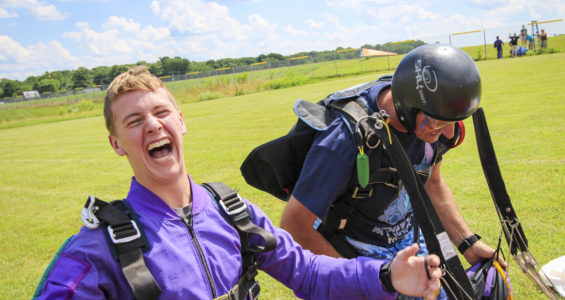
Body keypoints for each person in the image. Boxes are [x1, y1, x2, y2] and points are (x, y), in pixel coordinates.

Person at [32, 66, 442, 300]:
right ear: (117, 144)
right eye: (134, 121)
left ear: (181, 121)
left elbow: (310, 273)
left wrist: (385, 276)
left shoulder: (233, 214)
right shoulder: (98, 252)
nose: (152, 126)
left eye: (160, 112)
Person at [278, 44, 503, 300]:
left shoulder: (432, 122)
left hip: (409, 239)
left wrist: (468, 243)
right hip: (353, 251)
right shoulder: (343, 141)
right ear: (408, 106)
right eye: (441, 123)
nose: (450, 134)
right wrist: (361, 281)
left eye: (454, 123)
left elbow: (432, 183)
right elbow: (293, 226)